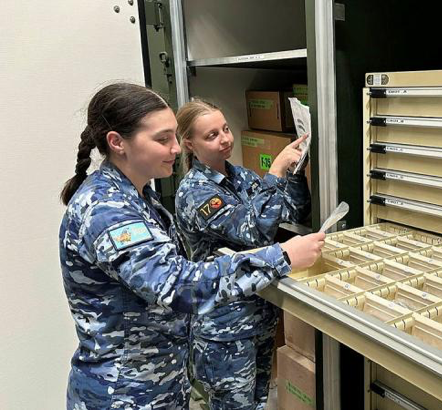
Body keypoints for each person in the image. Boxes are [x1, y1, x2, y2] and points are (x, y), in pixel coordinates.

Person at [59, 83, 325, 409]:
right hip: (125, 394)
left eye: (174, 136)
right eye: (162, 139)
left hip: (157, 385)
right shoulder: (108, 209)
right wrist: (281, 256)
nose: (175, 149)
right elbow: (179, 285)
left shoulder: (140, 199)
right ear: (117, 143)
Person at [174, 99, 311, 410]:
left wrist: (295, 173)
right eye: (211, 135)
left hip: (259, 317)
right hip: (224, 329)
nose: (225, 138)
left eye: (225, 129)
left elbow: (293, 210)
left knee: (258, 402)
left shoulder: (241, 178)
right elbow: (254, 231)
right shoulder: (195, 192)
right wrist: (275, 170)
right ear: (189, 145)